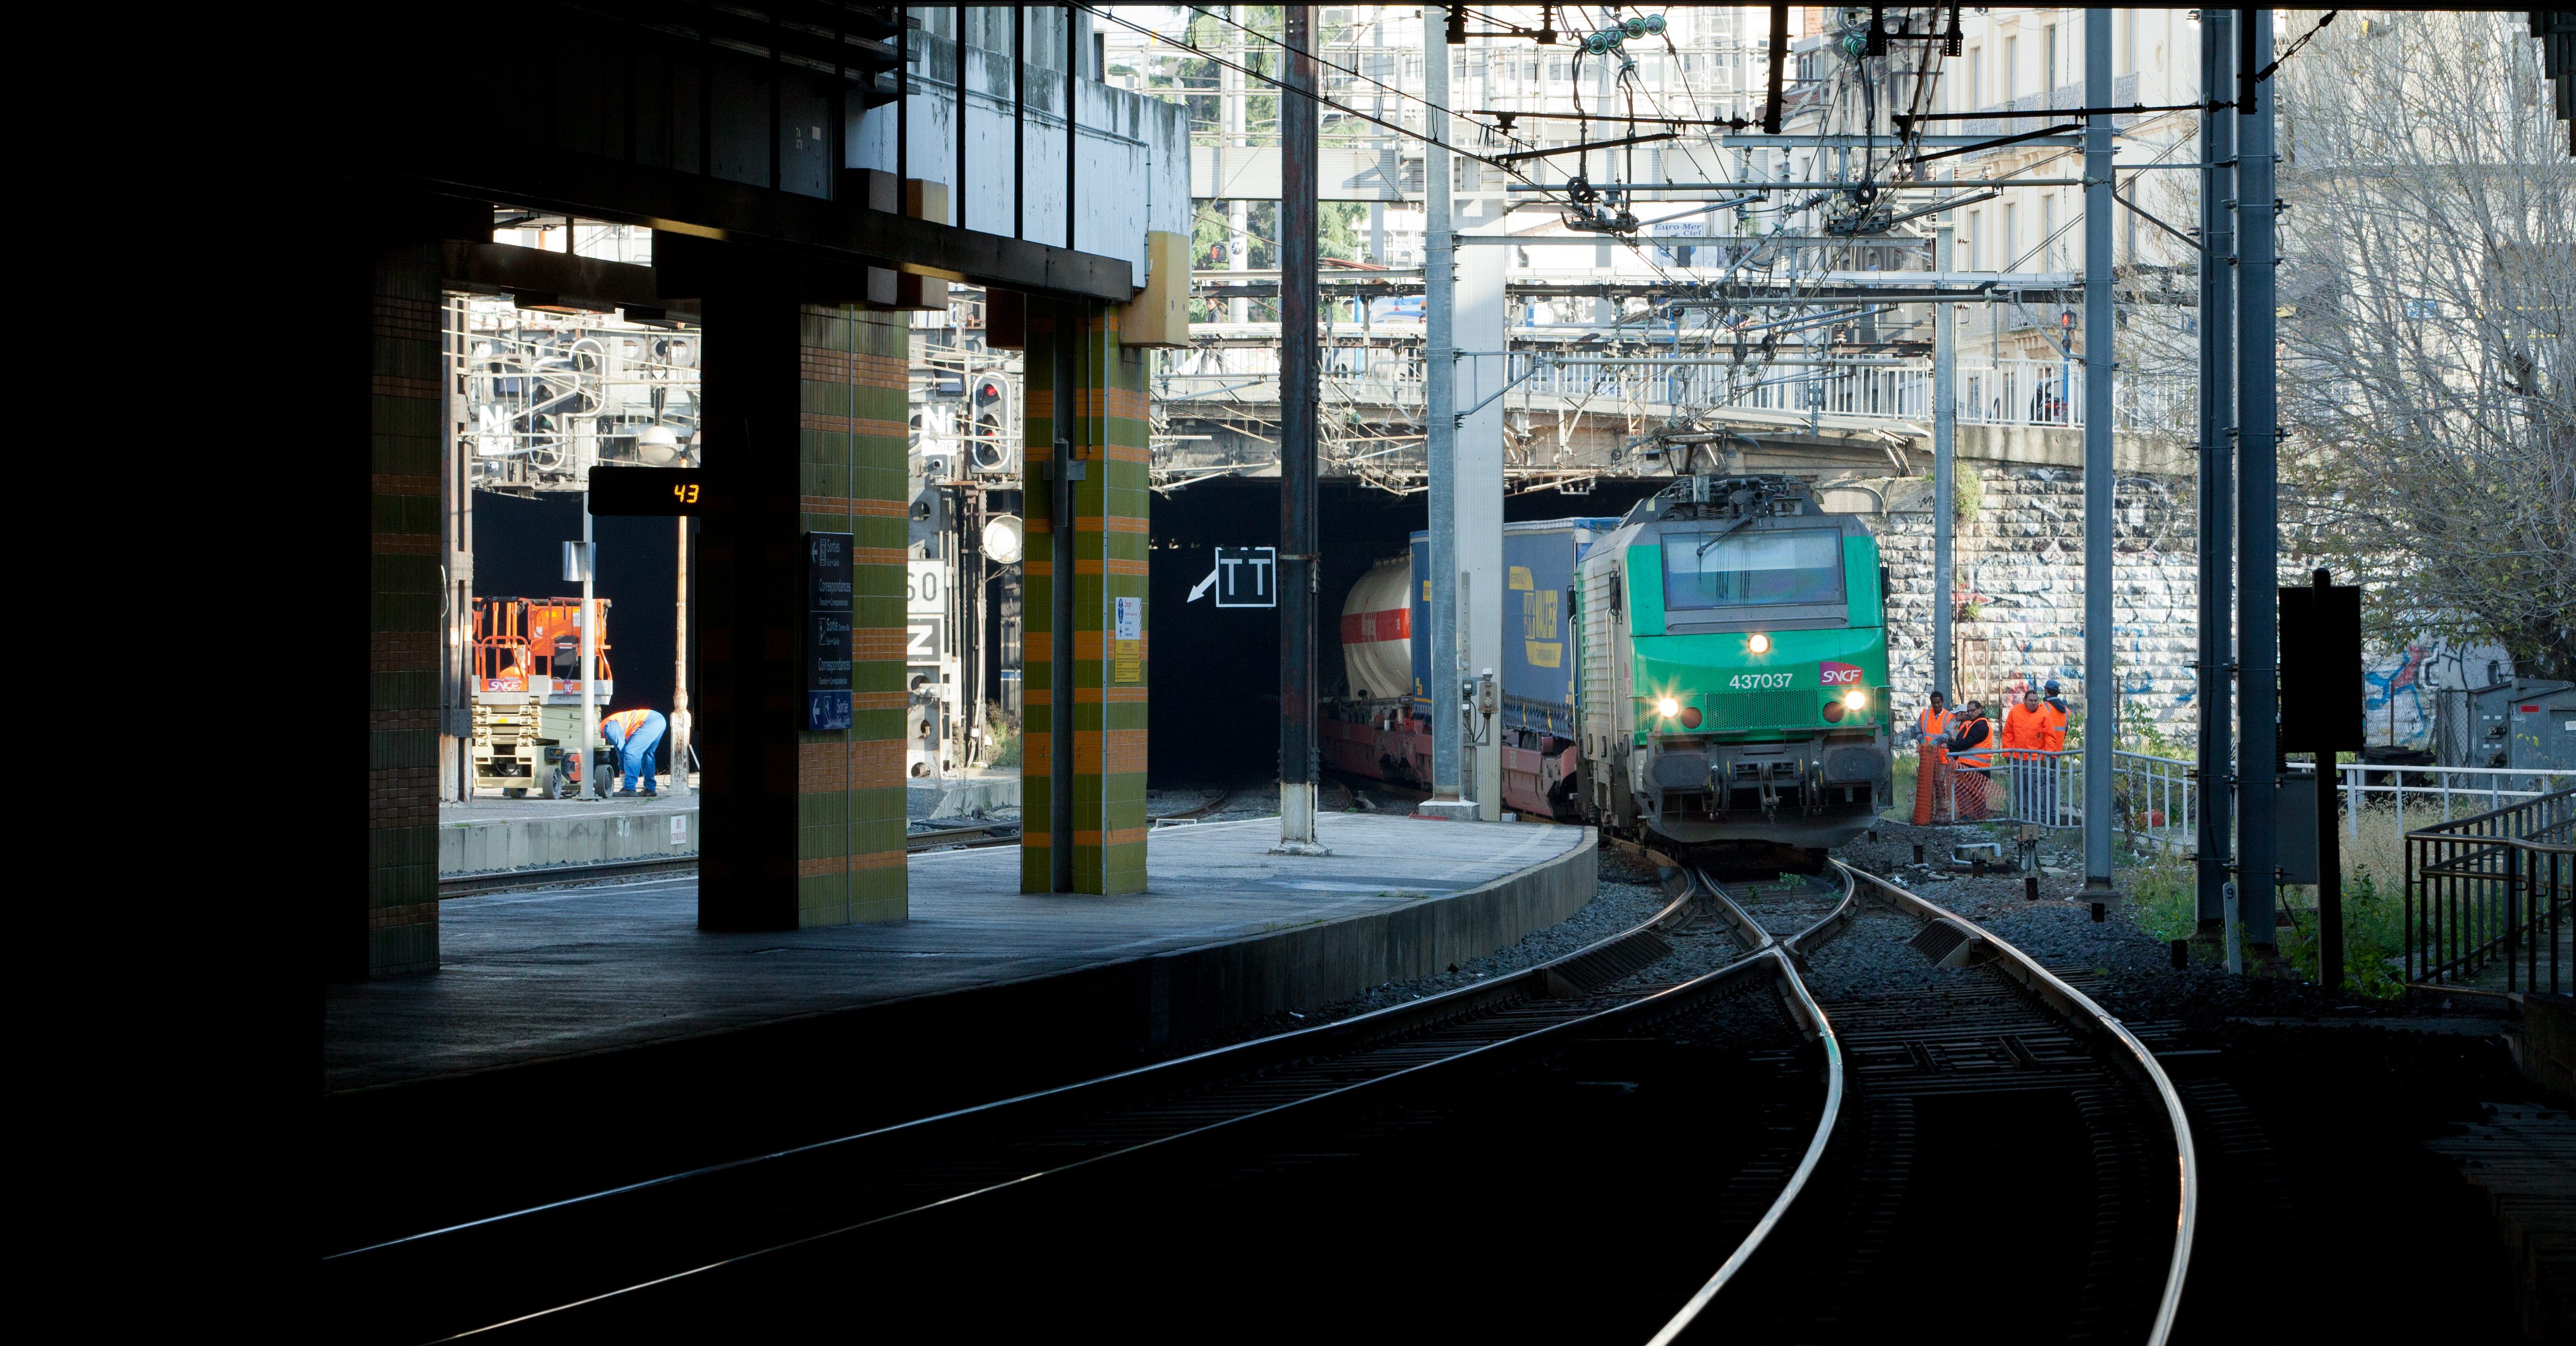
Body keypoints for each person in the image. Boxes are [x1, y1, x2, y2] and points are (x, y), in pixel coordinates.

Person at [601, 708, 669, 797]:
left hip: (650, 721)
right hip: (659, 720)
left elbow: (622, 751)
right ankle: (650, 789)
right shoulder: (610, 722)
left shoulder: (607, 727)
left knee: (631, 751)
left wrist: (623, 772)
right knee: (647, 754)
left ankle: (629, 789)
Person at [1947, 698, 1996, 820]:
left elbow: (1967, 742)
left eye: (1972, 710)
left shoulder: (1980, 724)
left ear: (1980, 709)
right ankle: (1977, 817)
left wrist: (1949, 747)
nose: (1969, 713)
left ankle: (1972, 817)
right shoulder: (1977, 723)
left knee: (1968, 792)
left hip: (1975, 766)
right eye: (1968, 711)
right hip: (1975, 766)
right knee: (1974, 793)